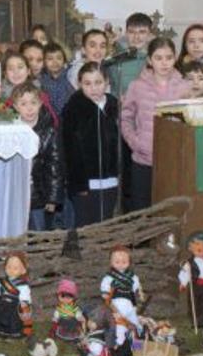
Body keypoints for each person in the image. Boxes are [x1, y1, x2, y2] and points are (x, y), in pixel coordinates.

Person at [120, 38, 192, 211]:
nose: (164, 63)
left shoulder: (185, 87)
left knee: (170, 210)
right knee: (142, 211)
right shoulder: (137, 86)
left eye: (168, 57)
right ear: (149, 60)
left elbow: (191, 120)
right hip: (143, 159)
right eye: (158, 58)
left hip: (173, 160)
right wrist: (135, 142)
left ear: (175, 58)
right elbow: (125, 117)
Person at [61, 64, 122, 226]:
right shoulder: (73, 109)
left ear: (107, 82)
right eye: (87, 84)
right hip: (86, 184)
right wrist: (77, 184)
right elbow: (68, 149)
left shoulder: (114, 105)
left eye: (98, 82)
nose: (93, 88)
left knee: (107, 223)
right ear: (79, 84)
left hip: (111, 180)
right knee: (86, 226)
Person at [13, 83, 63, 232]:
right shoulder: (11, 131)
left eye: (33, 103)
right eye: (23, 104)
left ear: (41, 103)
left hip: (39, 196)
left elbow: (55, 166)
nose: (29, 108)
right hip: (17, 193)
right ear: (15, 106)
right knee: (17, 232)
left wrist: (53, 198)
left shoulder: (48, 131)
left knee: (38, 231)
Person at [103, 12, 153, 100]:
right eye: (131, 32)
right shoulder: (115, 58)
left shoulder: (156, 59)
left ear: (149, 35)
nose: (136, 37)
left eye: (142, 32)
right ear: (126, 33)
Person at [38, 42, 75, 113]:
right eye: (50, 59)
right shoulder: (42, 80)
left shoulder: (69, 76)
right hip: (50, 118)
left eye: (59, 58)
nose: (55, 62)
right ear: (44, 62)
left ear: (64, 60)